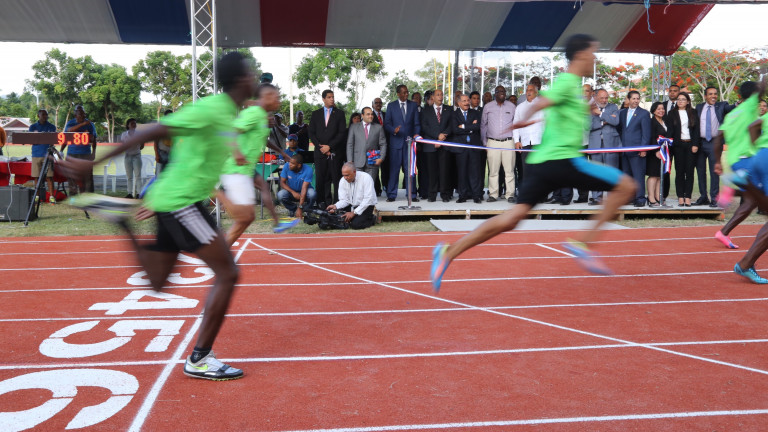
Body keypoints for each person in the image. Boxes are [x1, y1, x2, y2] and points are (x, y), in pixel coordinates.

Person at [62, 51, 257, 381]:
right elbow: (153, 130)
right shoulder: (212, 108)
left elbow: (212, 147)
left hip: (173, 199)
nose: (254, 78)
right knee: (228, 273)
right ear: (241, 79)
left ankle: (122, 222)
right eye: (251, 73)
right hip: (182, 202)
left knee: (157, 282)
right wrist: (94, 163)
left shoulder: (229, 114)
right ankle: (200, 358)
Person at [430, 34, 636, 292]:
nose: (594, 58)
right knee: (627, 186)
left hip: (543, 163)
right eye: (592, 52)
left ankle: (448, 252)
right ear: (581, 55)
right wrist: (527, 116)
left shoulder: (572, 88)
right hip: (563, 161)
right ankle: (583, 242)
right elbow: (546, 101)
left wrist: (585, 107)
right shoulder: (567, 81)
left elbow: (560, 106)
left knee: (512, 219)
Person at [218, 83, 297, 247]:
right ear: (266, 97)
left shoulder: (263, 117)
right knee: (245, 218)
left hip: (247, 168)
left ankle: (277, 223)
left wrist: (281, 152)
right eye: (276, 97)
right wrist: (237, 153)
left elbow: (263, 139)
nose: (279, 101)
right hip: (236, 168)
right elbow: (231, 131)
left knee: (262, 189)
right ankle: (214, 192)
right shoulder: (254, 113)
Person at [713, 81, 768, 282]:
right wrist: (763, 72)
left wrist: (718, 162)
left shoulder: (732, 114)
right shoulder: (751, 106)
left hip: (736, 162)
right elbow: (761, 90)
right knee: (760, 204)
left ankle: (734, 186)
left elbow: (718, 138)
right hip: (752, 161)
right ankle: (746, 264)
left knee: (753, 201)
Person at [695, 87, 733, 207]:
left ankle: (714, 198)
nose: (713, 96)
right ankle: (703, 197)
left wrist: (738, 103)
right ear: (705, 96)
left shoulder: (722, 106)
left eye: (715, 94)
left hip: (715, 143)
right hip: (700, 143)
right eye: (710, 94)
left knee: (714, 171)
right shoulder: (699, 107)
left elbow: (730, 108)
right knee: (700, 171)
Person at [309, 89, 347, 207]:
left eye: (333, 97)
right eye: (329, 97)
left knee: (336, 179)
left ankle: (337, 204)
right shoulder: (316, 114)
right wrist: (321, 147)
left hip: (335, 152)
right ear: (323, 99)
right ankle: (322, 203)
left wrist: (329, 146)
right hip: (320, 153)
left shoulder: (339, 113)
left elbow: (341, 133)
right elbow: (311, 133)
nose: (332, 99)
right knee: (321, 179)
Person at [384, 84, 421, 202]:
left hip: (409, 144)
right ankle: (391, 194)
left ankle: (412, 195)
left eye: (407, 92)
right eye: (404, 92)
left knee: (410, 170)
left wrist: (416, 134)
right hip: (395, 143)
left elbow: (417, 123)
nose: (406, 94)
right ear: (398, 94)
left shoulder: (413, 105)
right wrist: (393, 130)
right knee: (394, 170)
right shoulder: (391, 106)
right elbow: (387, 124)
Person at [482, 85, 516, 203]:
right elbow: (483, 125)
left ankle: (510, 194)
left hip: (508, 142)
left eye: (504, 91)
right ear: (495, 93)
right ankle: (493, 194)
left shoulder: (512, 106)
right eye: (499, 91)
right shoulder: (488, 107)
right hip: (492, 142)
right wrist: (485, 143)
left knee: (509, 170)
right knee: (493, 171)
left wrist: (516, 141)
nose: (502, 93)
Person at [587, 89, 620, 206]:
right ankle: (597, 197)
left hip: (611, 143)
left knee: (612, 172)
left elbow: (615, 121)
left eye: (606, 98)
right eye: (602, 98)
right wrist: (604, 122)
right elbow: (587, 125)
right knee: (596, 172)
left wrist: (601, 114)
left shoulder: (613, 107)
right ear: (595, 97)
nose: (604, 100)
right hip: (595, 144)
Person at [617, 90, 650, 207]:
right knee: (626, 176)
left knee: (638, 175)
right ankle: (629, 198)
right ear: (628, 99)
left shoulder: (644, 113)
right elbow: (620, 130)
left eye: (638, 98)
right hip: (624, 150)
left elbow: (646, 133)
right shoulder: (622, 113)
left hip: (637, 151)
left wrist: (643, 148)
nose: (636, 101)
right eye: (634, 98)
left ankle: (640, 198)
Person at [420, 89, 453, 202]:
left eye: (442, 95)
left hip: (445, 144)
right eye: (438, 95)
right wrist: (437, 136)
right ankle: (432, 194)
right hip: (431, 145)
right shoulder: (426, 110)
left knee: (445, 171)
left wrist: (443, 136)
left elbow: (451, 125)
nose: (440, 97)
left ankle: (444, 194)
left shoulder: (448, 109)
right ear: (432, 97)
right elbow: (424, 127)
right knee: (431, 171)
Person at [451, 94, 484, 203]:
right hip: (461, 148)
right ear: (459, 103)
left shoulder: (475, 113)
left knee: (475, 172)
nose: (467, 103)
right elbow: (455, 130)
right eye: (464, 101)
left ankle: (476, 195)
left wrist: (464, 126)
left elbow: (477, 127)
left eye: (467, 100)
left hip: (474, 146)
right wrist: (470, 127)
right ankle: (462, 195)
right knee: (462, 172)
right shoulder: (454, 114)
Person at [514, 84, 545, 199]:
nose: (528, 92)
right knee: (526, 170)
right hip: (525, 143)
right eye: (527, 90)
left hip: (539, 143)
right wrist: (516, 141)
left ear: (536, 92)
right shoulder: (520, 107)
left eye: (531, 90)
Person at [669, 92, 700, 207]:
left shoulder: (693, 112)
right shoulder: (672, 113)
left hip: (690, 145)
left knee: (690, 172)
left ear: (688, 101)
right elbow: (670, 130)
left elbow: (696, 130)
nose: (680, 101)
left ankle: (688, 197)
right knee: (679, 172)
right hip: (678, 145)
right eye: (679, 99)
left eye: (683, 99)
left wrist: (695, 144)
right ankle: (680, 197)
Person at [327, 162, 377, 229]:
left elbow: (368, 200)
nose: (345, 178)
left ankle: (372, 218)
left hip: (366, 206)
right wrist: (336, 206)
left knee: (355, 225)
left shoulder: (366, 178)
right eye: (343, 175)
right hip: (351, 205)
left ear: (354, 172)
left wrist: (353, 213)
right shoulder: (342, 180)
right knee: (338, 219)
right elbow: (344, 200)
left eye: (347, 175)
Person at [62, 105, 97, 194]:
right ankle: (73, 196)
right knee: (72, 176)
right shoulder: (70, 123)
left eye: (84, 114)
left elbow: (94, 139)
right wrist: (61, 150)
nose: (83, 116)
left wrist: (94, 153)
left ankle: (88, 195)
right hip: (72, 153)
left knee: (87, 176)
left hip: (85, 153)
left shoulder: (90, 124)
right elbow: (68, 133)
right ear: (75, 115)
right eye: (80, 114)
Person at [347, 107, 387, 183]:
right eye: (368, 114)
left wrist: (381, 158)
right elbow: (350, 144)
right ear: (362, 115)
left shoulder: (378, 127)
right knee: (358, 186)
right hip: (357, 163)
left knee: (369, 186)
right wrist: (350, 161)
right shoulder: (354, 127)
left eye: (372, 114)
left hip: (372, 163)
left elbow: (383, 144)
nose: (371, 116)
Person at [28, 109, 57, 203]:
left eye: (46, 114)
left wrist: (40, 138)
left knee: (49, 177)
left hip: (48, 155)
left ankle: (51, 197)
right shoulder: (33, 127)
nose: (45, 116)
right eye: (43, 114)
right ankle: (37, 196)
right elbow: (31, 140)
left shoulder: (52, 127)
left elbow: (53, 141)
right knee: (37, 177)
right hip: (36, 154)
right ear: (38, 116)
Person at [646, 102, 672, 207]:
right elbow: (651, 137)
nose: (661, 111)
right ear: (653, 111)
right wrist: (656, 150)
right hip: (654, 152)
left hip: (664, 151)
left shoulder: (664, 121)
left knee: (659, 176)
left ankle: (658, 197)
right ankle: (651, 198)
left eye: (662, 109)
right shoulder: (651, 122)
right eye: (658, 109)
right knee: (653, 175)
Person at [278, 153, 316, 219]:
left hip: (305, 191)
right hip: (292, 191)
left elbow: (304, 188)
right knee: (280, 194)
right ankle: (293, 209)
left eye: (292, 163)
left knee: (312, 194)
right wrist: (293, 192)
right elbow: (282, 183)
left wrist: (300, 207)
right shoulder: (287, 166)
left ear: (299, 165)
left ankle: (307, 210)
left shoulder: (308, 170)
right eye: (290, 162)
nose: (290, 164)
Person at [121, 118, 143, 199]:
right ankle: (129, 193)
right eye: (132, 123)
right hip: (127, 156)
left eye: (135, 123)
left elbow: (142, 145)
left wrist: (136, 150)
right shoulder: (124, 134)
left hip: (137, 156)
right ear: (128, 125)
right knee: (129, 176)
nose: (134, 125)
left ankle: (139, 193)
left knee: (138, 175)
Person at [371, 97, 387, 197]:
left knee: (386, 168)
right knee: (374, 169)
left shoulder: (386, 115)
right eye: (376, 103)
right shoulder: (370, 115)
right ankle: (376, 189)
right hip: (374, 146)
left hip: (385, 146)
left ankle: (386, 186)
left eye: (380, 103)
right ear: (372, 105)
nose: (378, 104)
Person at [154, 109, 173, 173]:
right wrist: (157, 155)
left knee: (170, 173)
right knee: (160, 174)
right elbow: (156, 142)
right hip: (162, 154)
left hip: (172, 154)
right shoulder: (160, 127)